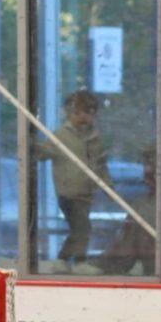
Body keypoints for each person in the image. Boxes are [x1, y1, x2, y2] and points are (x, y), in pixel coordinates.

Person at [38, 90, 111, 269]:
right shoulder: (61, 136)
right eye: (77, 113)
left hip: (86, 193)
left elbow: (101, 164)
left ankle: (65, 259)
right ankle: (76, 260)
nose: (82, 117)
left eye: (88, 112)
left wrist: (107, 184)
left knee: (80, 227)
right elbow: (44, 152)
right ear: (67, 113)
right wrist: (33, 147)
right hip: (68, 192)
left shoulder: (95, 139)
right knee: (82, 227)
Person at [99, 149, 157, 276]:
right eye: (146, 163)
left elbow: (123, 254)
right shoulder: (142, 205)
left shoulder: (144, 208)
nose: (146, 170)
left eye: (152, 164)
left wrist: (99, 267)